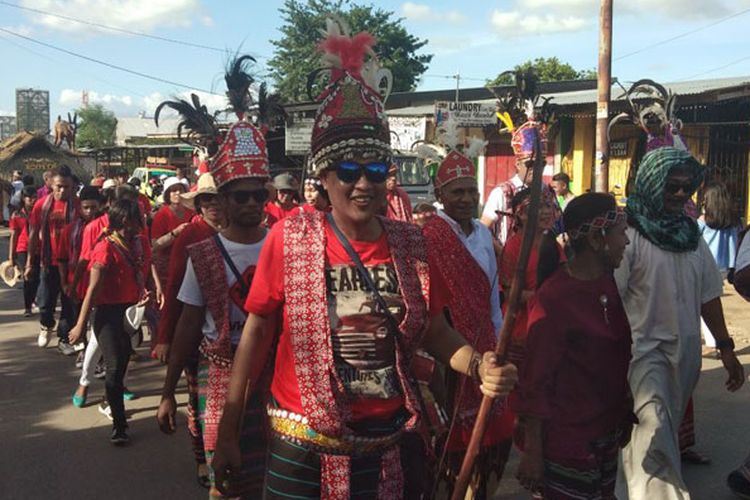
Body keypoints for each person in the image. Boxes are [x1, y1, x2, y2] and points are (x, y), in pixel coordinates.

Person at [210, 22, 518, 499]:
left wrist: (478, 366)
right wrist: (229, 428)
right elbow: (255, 332)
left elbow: (435, 332)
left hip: (388, 443)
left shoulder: (412, 245)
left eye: (375, 170)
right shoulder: (289, 238)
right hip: (301, 445)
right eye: (348, 170)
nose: (363, 184)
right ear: (325, 175)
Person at [156, 57, 273, 497]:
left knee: (275, 480)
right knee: (226, 483)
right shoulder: (203, 253)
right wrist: (168, 391)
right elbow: (188, 324)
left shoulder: (283, 243)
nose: (249, 203)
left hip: (276, 378)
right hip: (221, 376)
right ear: (222, 198)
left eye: (256, 194)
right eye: (239, 195)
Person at [614, 147, 745, 499]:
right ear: (652, 184)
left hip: (686, 356)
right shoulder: (628, 235)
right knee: (652, 432)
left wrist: (726, 348)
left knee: (654, 440)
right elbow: (609, 302)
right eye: (671, 186)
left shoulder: (690, 234)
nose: (679, 195)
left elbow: (708, 295)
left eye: (686, 188)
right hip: (641, 356)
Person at [516, 193, 634, 500]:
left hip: (605, 432)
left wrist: (624, 406)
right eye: (622, 233)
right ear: (598, 239)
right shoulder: (555, 297)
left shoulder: (606, 283)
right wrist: (533, 450)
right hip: (570, 442)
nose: (627, 242)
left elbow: (615, 355)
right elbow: (536, 380)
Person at [420, 127, 509, 497]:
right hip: (448, 354)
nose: (467, 198)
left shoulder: (485, 236)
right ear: (440, 196)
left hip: (486, 342)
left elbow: (493, 298)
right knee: (453, 451)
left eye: (472, 191)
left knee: (492, 443)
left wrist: (500, 336)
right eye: (457, 192)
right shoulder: (432, 235)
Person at [153, 172, 223, 489]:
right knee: (197, 402)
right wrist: (165, 337)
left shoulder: (244, 234)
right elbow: (175, 288)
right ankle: (200, 459)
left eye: (218, 199)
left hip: (234, 338)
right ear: (200, 205)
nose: (213, 206)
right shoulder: (191, 236)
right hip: (196, 333)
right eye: (207, 200)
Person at [68, 198, 152, 445]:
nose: (142, 224)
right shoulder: (105, 249)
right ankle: (119, 425)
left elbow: (142, 271)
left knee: (123, 362)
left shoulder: (135, 244)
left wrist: (146, 291)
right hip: (106, 315)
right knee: (115, 367)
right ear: (127, 222)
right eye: (139, 219)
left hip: (129, 312)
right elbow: (93, 290)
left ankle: (109, 399)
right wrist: (80, 325)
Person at [499, 186, 559, 367]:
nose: (547, 212)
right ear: (521, 215)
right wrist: (544, 298)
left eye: (549, 206)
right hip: (522, 327)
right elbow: (510, 293)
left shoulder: (552, 242)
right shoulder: (514, 247)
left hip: (550, 323)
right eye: (539, 207)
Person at [26, 165, 81, 351]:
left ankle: (64, 339)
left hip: (72, 264)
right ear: (51, 184)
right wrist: (29, 262)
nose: (62, 190)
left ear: (72, 186)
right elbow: (33, 234)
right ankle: (46, 324)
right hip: (48, 262)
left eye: (66, 186)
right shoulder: (42, 205)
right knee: (45, 302)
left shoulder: (79, 205)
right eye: (59, 186)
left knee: (69, 303)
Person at [56, 186, 103, 355]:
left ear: (101, 205)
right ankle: (82, 351)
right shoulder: (70, 230)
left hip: (100, 285)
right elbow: (61, 259)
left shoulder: (106, 227)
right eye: (86, 207)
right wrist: (65, 283)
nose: (90, 211)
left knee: (98, 323)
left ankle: (96, 356)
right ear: (79, 208)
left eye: (94, 207)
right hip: (77, 284)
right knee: (78, 321)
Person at [9, 186, 39, 316]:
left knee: (37, 277)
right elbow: (14, 235)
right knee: (28, 277)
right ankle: (28, 306)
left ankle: (34, 300)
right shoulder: (17, 215)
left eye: (34, 197)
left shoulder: (40, 212)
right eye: (29, 198)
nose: (32, 200)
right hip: (22, 248)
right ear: (23, 198)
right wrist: (11, 256)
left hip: (38, 248)